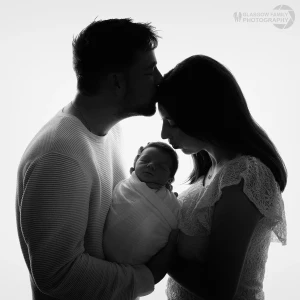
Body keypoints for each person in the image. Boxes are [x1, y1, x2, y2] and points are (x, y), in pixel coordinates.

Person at [15, 18, 178, 300]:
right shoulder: (60, 155)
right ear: (116, 81)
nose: (160, 79)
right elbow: (57, 274)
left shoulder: (111, 132)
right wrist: (146, 276)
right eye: (149, 71)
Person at [156, 55, 287, 300]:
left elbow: (219, 290)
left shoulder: (244, 176)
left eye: (171, 122)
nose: (163, 133)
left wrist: (158, 253)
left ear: (202, 115)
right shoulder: (211, 169)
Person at [104, 141, 181, 265]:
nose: (151, 165)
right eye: (145, 161)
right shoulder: (125, 187)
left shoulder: (170, 201)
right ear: (134, 165)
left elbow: (176, 220)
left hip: (139, 261)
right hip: (105, 250)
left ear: (169, 179)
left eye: (161, 166)